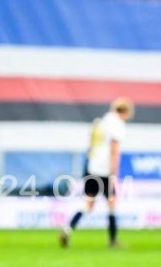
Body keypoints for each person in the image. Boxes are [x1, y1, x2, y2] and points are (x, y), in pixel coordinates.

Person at [59, 97, 135, 248]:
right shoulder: (117, 125)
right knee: (112, 203)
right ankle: (113, 240)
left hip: (92, 167)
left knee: (88, 204)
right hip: (105, 170)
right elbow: (114, 151)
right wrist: (114, 174)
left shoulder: (100, 122)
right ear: (125, 112)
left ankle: (68, 229)